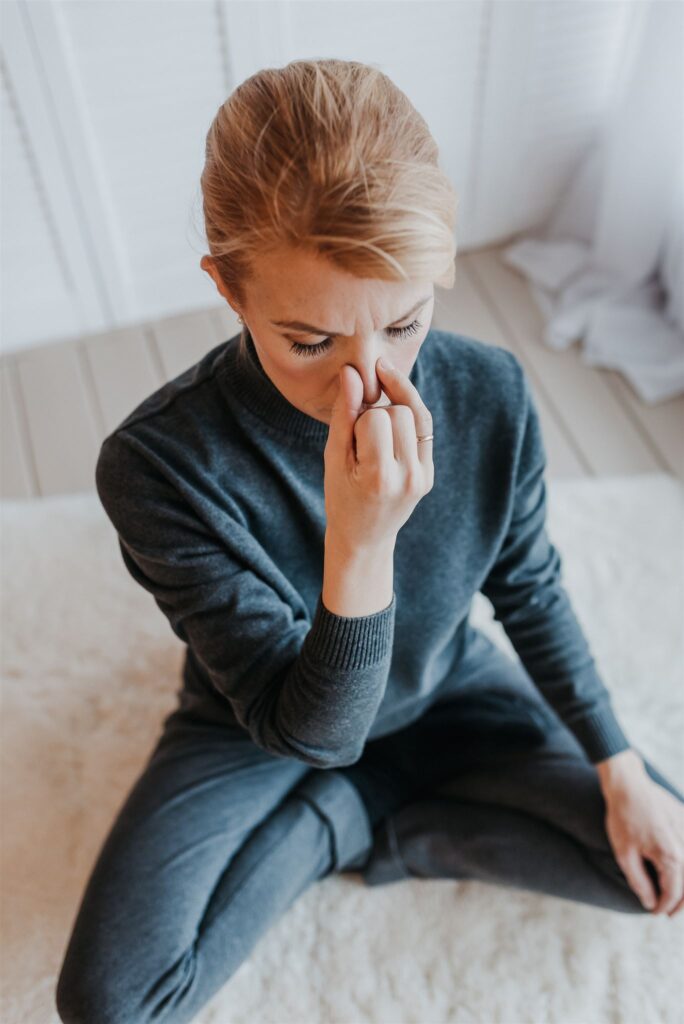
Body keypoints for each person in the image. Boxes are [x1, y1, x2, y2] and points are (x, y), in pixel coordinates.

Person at [55, 58, 684, 1024]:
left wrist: (618, 763)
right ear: (227, 288)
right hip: (260, 722)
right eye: (310, 342)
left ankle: (355, 826)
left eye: (404, 324)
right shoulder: (156, 466)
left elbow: (528, 584)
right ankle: (340, 815)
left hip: (445, 682)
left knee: (661, 851)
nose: (370, 386)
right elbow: (314, 733)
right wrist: (361, 543)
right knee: (112, 1003)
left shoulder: (494, 393)